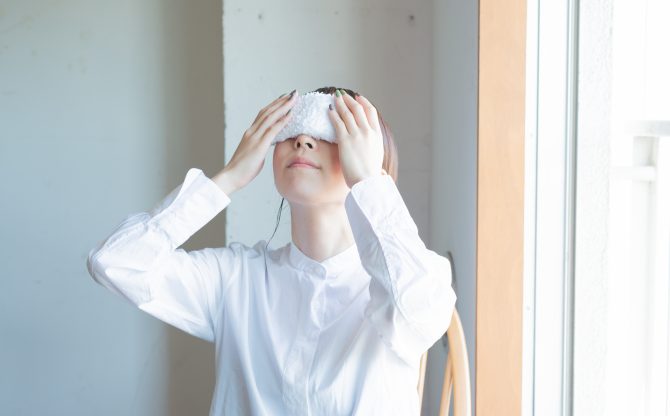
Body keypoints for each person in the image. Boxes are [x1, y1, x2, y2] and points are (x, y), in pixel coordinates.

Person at [86, 86, 457, 415]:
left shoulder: (409, 282)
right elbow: (115, 263)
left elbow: (419, 311)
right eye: (293, 131)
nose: (303, 140)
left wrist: (369, 182)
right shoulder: (236, 279)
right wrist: (228, 177)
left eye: (332, 134)